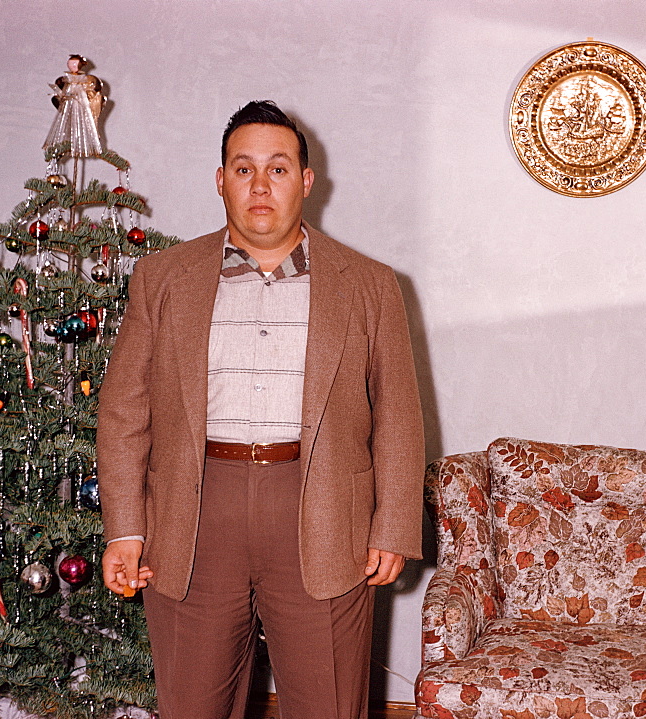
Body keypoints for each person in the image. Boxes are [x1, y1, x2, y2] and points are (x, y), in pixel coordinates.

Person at [97, 100, 424, 719]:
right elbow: (122, 412)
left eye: (277, 168)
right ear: (220, 180)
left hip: (326, 513)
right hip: (193, 517)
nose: (260, 185)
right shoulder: (162, 278)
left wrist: (393, 525)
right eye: (243, 168)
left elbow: (399, 416)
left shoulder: (371, 284)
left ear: (305, 180)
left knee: (327, 705)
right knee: (192, 705)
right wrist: (126, 529)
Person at [43, 54, 105, 157]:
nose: (71, 66)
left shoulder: (85, 81)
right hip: (69, 103)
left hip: (80, 102)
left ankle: (80, 140)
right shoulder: (66, 80)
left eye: (74, 64)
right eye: (70, 64)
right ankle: (70, 139)